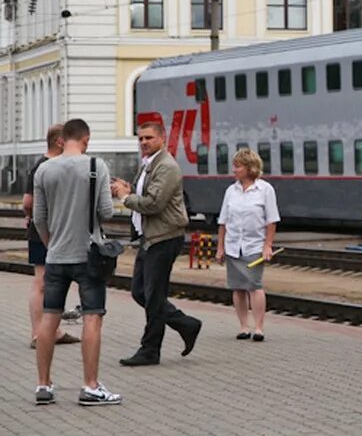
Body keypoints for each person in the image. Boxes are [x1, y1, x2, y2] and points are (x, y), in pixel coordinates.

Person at [32, 118, 121, 405]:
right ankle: (91, 386)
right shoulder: (97, 166)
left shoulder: (44, 169)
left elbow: (39, 218)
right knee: (92, 317)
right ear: (85, 139)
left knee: (49, 317)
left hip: (56, 255)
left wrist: (50, 245)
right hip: (89, 255)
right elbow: (106, 211)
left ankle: (43, 386)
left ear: (63, 139)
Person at [111, 121, 201, 366]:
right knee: (141, 292)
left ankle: (150, 350)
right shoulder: (148, 163)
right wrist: (129, 189)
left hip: (164, 238)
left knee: (153, 296)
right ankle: (186, 324)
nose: (143, 142)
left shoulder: (167, 166)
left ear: (162, 138)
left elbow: (153, 204)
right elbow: (146, 195)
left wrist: (124, 197)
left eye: (148, 138)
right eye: (140, 138)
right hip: (148, 238)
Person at [24, 124, 80, 350]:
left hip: (47, 230)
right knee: (42, 282)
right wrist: (38, 219)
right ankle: (40, 333)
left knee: (49, 281)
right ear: (59, 142)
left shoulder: (42, 164)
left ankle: (52, 330)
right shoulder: (46, 166)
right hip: (46, 231)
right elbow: (28, 202)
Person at [215, 148, 280, 342]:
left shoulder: (265, 190)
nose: (234, 170)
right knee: (237, 287)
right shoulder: (230, 190)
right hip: (234, 245)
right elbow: (223, 222)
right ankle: (243, 326)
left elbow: (271, 221)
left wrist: (267, 245)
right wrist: (220, 247)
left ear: (250, 167)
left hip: (254, 246)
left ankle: (259, 327)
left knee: (254, 285)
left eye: (238, 166)